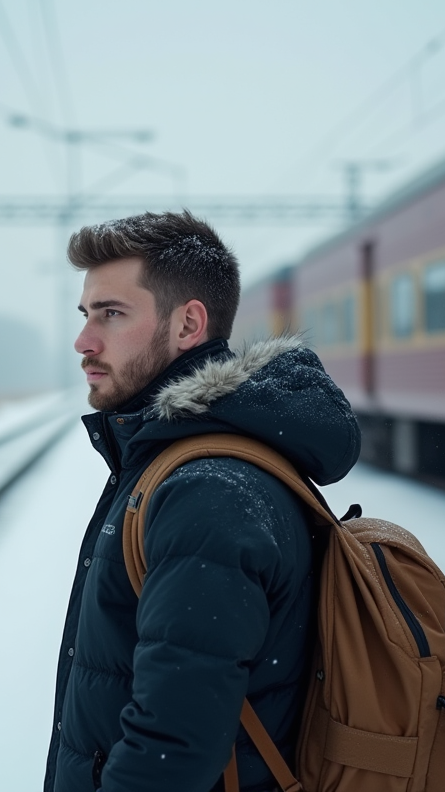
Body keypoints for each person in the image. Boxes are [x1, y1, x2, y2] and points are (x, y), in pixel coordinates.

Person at [45, 211, 360, 792]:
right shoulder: (185, 464)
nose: (84, 341)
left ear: (189, 323)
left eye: (112, 314)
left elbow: (170, 751)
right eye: (87, 314)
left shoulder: (209, 491)